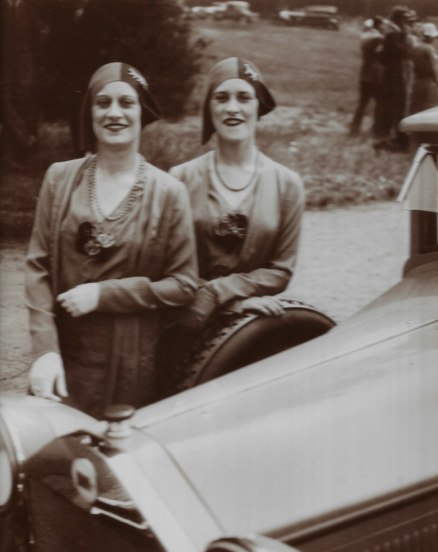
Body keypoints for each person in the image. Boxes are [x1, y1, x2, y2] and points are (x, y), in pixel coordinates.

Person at [25, 62, 198, 418]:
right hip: (62, 360)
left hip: (131, 364)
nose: (114, 113)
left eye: (126, 103)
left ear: (142, 111)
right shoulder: (60, 179)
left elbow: (183, 285)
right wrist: (44, 350)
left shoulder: (169, 192)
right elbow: (37, 267)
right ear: (89, 112)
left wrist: (104, 295)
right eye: (103, 103)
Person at [168, 56, 304, 332]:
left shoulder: (287, 184)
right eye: (221, 98)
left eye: (244, 97)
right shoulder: (180, 179)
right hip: (184, 320)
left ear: (259, 105)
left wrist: (223, 291)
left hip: (249, 329)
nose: (232, 108)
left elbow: (280, 270)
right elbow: (168, 266)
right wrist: (231, 304)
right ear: (209, 108)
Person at [378, 6, 416, 151]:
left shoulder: (395, 32)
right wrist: (406, 38)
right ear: (398, 19)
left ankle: (390, 133)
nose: (406, 22)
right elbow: (402, 50)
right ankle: (394, 136)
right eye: (404, 19)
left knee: (395, 104)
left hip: (395, 72)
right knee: (397, 104)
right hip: (394, 73)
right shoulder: (393, 33)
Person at [349, 17, 386, 137]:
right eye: (382, 25)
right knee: (380, 103)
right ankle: (376, 129)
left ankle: (354, 127)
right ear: (379, 25)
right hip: (375, 75)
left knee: (362, 103)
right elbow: (381, 53)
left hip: (365, 73)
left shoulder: (365, 35)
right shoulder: (379, 38)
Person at [408, 22, 438, 115]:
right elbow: (434, 67)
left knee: (415, 108)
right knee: (427, 108)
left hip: (417, 80)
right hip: (428, 82)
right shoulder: (429, 49)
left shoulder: (415, 46)